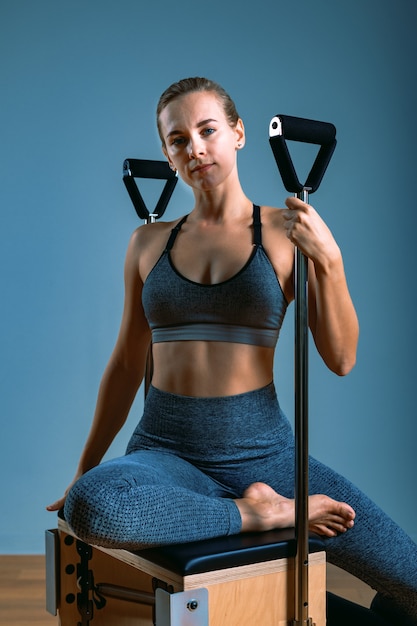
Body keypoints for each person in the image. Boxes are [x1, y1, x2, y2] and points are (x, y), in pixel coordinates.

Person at [47, 77, 417, 624]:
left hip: (267, 454)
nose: (194, 148)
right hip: (165, 455)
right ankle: (261, 514)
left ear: (238, 134)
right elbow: (127, 364)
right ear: (168, 156)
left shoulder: (288, 233)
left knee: (411, 584)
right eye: (177, 140)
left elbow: (341, 359)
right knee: (91, 507)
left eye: (207, 130)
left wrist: (331, 263)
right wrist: (86, 466)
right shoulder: (148, 244)